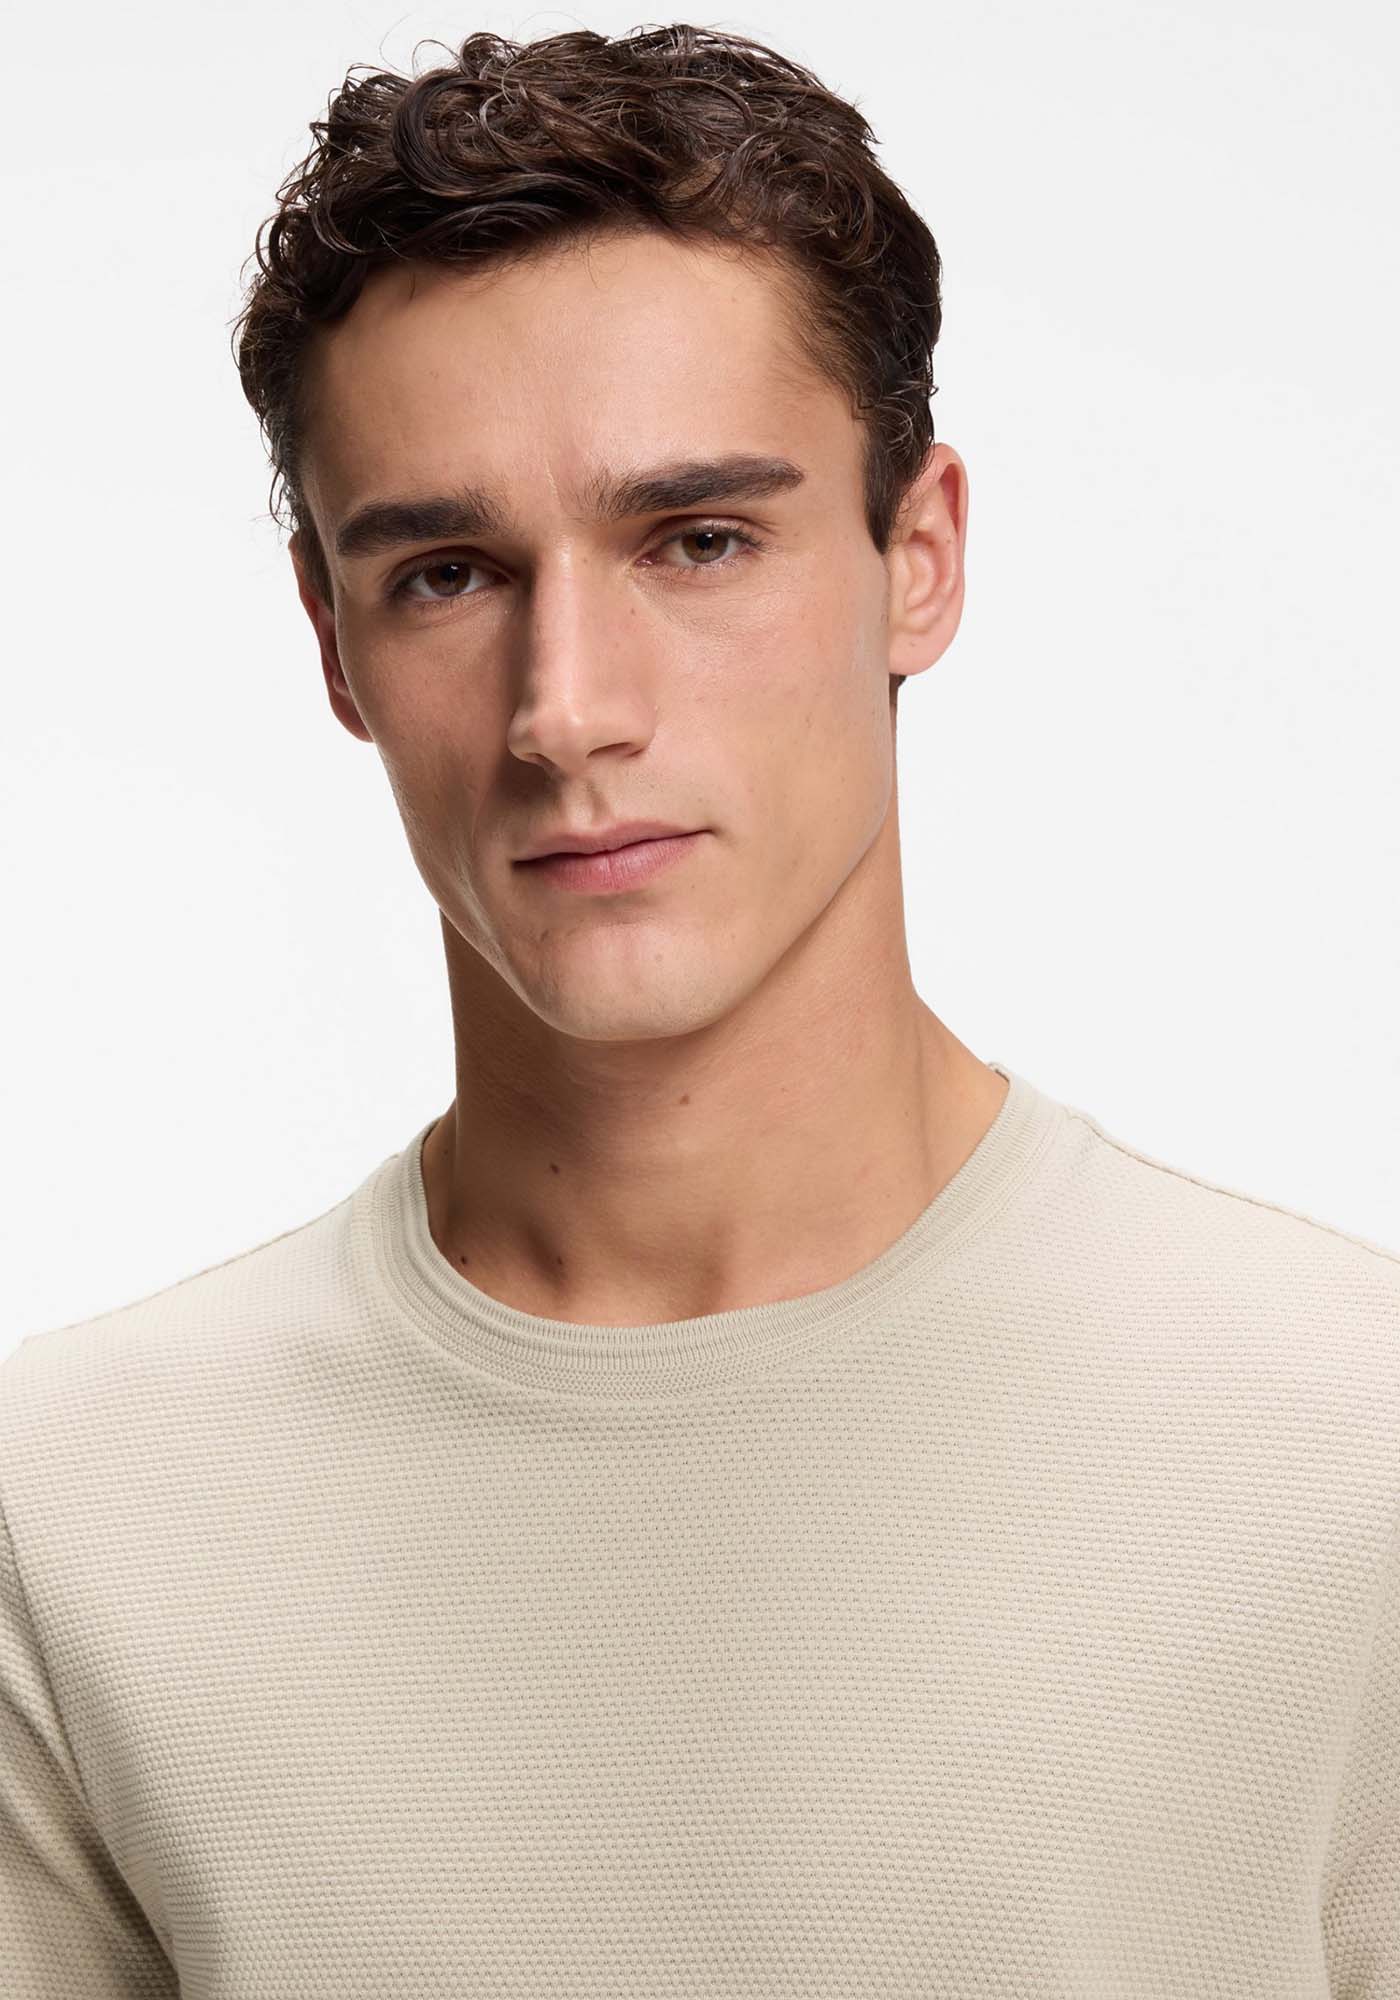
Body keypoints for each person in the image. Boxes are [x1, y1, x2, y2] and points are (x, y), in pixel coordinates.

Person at [2, 23, 1397, 1998]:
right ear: (331, 640)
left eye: (699, 540)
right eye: (449, 575)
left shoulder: (1347, 1449)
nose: (567, 708)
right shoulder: (79, 1514)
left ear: (918, 560)